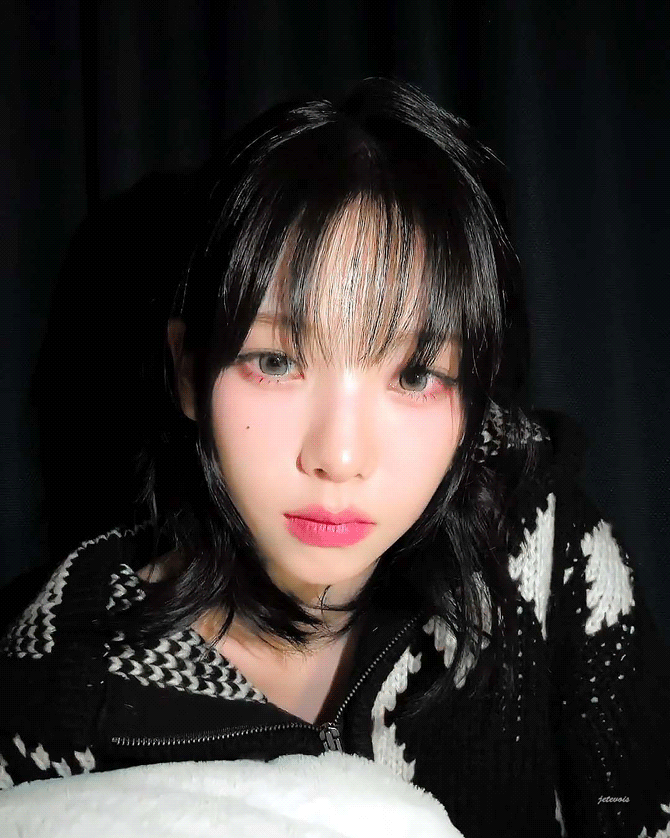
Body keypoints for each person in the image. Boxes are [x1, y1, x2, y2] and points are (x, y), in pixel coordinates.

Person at [1, 77, 668, 838]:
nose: (340, 456)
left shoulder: (545, 557)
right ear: (188, 373)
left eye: (415, 376)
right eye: (276, 362)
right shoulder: (59, 680)